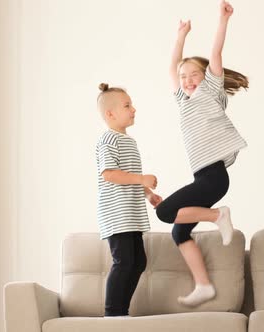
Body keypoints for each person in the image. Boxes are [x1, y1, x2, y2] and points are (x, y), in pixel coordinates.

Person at [155, 0, 248, 307]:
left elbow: (216, 53)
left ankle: (218, 215)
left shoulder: (211, 91)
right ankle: (203, 285)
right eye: (184, 78)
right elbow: (171, 68)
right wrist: (180, 35)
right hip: (204, 177)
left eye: (193, 74)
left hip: (214, 177)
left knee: (164, 212)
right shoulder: (183, 101)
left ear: (205, 76)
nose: (187, 80)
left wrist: (223, 20)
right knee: (179, 232)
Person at [95, 83, 163, 316]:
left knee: (138, 262)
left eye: (132, 105)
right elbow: (110, 174)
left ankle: (120, 310)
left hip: (131, 214)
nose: (133, 109)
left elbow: (131, 177)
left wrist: (149, 194)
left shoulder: (130, 142)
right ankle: (113, 313)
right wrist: (142, 178)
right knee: (124, 262)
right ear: (110, 114)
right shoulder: (108, 140)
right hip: (117, 214)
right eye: (127, 105)